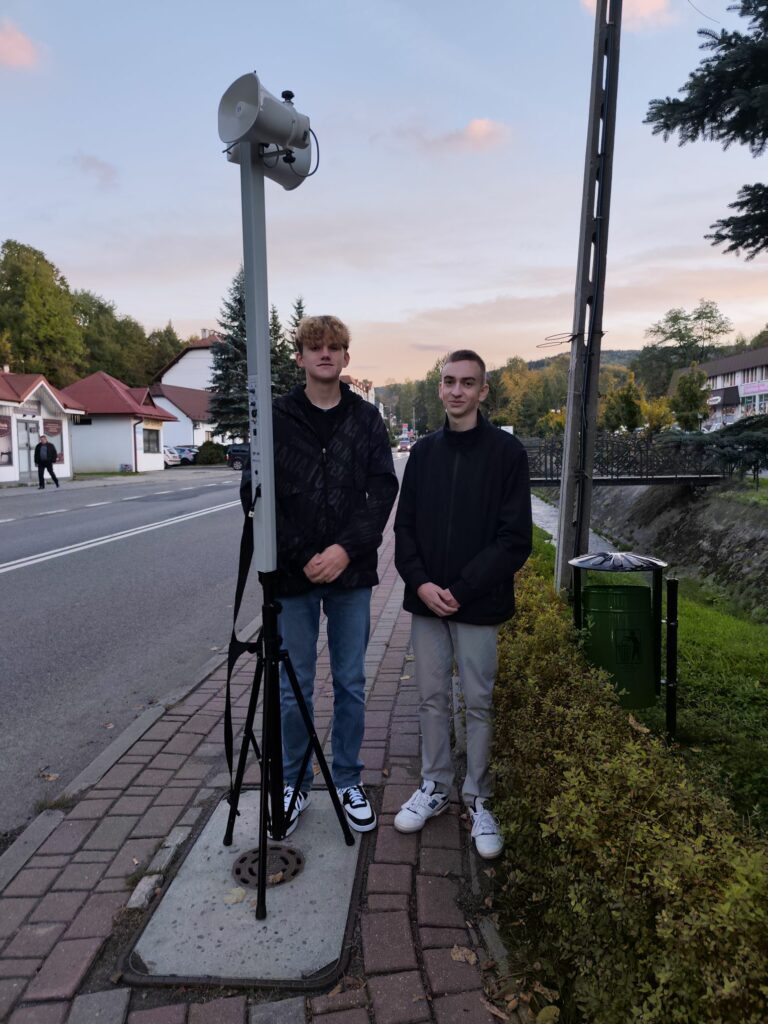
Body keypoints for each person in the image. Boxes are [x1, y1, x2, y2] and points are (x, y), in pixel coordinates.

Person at [393, 350, 532, 859]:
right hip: (427, 601)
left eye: (467, 383)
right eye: (449, 381)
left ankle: (479, 798)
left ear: (482, 391)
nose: (457, 391)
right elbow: (403, 529)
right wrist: (423, 585)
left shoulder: (506, 454)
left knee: (477, 701)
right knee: (431, 698)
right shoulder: (423, 454)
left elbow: (515, 539)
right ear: (439, 388)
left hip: (479, 602)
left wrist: (463, 588)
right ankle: (434, 785)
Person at [267, 315, 398, 836]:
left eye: (334, 347)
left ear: (346, 358)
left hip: (351, 573)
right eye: (315, 346)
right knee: (293, 685)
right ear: (299, 356)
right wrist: (302, 554)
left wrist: (345, 549)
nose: (325, 353)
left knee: (350, 682)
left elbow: (382, 490)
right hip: (294, 574)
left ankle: (347, 778)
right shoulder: (277, 417)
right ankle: (295, 782)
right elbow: (259, 493)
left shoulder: (366, 420)